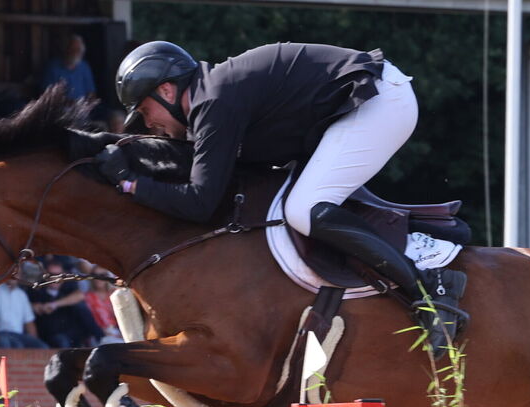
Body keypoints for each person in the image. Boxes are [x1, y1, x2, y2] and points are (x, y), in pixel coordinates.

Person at [97, 41, 466, 350]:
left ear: (167, 91)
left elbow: (200, 201)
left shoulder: (213, 102)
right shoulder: (213, 98)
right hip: (357, 106)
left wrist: (130, 185)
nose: (148, 124)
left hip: (377, 102)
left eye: (145, 111)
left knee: (303, 209)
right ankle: (427, 240)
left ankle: (432, 291)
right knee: (298, 203)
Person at [26, 257, 103, 348]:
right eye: (51, 274)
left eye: (58, 275)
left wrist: (54, 305)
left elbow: (80, 296)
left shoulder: (68, 286)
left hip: (70, 332)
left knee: (81, 307)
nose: (55, 278)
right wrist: (34, 307)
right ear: (45, 275)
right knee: (61, 340)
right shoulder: (37, 290)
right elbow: (24, 305)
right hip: (47, 334)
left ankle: (101, 339)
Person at [0, 275, 48, 348]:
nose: (14, 276)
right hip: (0, 333)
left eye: (17, 274)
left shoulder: (22, 294)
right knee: (16, 345)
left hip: (18, 335)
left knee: (42, 347)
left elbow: (29, 322)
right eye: (12, 273)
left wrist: (34, 340)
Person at [41, 34, 95, 102]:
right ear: (66, 49)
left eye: (78, 50)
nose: (75, 52)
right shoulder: (52, 68)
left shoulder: (84, 67)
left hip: (82, 108)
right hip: (61, 109)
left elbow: (91, 92)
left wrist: (89, 105)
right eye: (72, 49)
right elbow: (47, 96)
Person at [84, 270, 124, 344]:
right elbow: (89, 321)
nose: (98, 278)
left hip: (119, 331)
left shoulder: (114, 294)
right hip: (99, 334)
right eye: (94, 275)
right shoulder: (88, 296)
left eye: (102, 275)